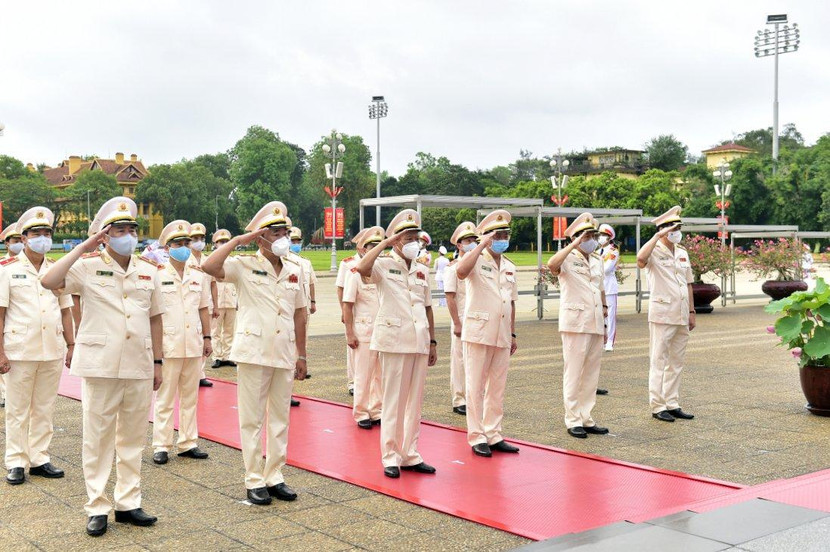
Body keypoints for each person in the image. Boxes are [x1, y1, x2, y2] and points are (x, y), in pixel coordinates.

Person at [41, 196, 164, 537]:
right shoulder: (87, 266)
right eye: (119, 230)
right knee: (97, 439)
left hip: (139, 363)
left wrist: (158, 362)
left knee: (133, 438)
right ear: (105, 235)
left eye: (131, 229)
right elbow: (49, 281)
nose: (127, 235)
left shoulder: (149, 270)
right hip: (100, 365)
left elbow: (155, 319)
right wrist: (84, 247)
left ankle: (128, 502)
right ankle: (97, 505)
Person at [202, 201, 307, 506]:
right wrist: (237, 242)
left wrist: (302, 354)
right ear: (261, 237)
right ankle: (254, 479)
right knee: (251, 419)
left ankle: (275, 475)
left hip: (284, 350)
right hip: (253, 351)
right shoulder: (244, 264)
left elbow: (300, 313)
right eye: (275, 232)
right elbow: (209, 267)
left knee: (280, 417)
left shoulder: (293, 269)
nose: (283, 238)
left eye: (285, 231)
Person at [355, 209, 438, 479]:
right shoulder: (383, 263)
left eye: (416, 237)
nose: (414, 242)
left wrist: (433, 341)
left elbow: (427, 308)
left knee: (414, 403)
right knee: (393, 401)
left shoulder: (423, 269)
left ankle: (410, 454)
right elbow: (363, 268)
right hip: (393, 341)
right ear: (397, 240)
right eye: (408, 237)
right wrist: (385, 244)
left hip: (419, 341)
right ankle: (390, 456)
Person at [0, 207, 73, 485]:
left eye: (46, 233)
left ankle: (40, 457)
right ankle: (16, 461)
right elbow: (0, 313)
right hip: (20, 348)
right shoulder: (7, 269)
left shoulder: (56, 269)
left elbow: (66, 310)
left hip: (51, 347)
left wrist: (71, 344)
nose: (42, 238)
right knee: (18, 408)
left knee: (44, 406)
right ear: (25, 237)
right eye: (36, 233)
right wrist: (1, 352)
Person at [455, 210, 520, 457]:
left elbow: (510, 302)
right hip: (479, 331)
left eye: (505, 234)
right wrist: (482, 243)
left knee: (497, 387)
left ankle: (493, 433)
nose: (503, 238)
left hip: (502, 333)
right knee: (475, 386)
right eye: (498, 235)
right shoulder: (475, 259)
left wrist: (512, 334)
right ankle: (476, 436)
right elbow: (460, 272)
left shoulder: (509, 266)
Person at [151, 221, 213, 466]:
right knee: (165, 399)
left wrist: (208, 337)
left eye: (187, 243)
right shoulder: (157, 273)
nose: (184, 247)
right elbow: (152, 314)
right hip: (169, 344)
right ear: (168, 248)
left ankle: (188, 442)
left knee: (190, 397)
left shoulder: (198, 274)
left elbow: (204, 308)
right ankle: (161, 445)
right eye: (179, 244)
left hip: (194, 343)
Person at [547, 213, 610, 439]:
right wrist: (573, 243)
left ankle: (586, 417)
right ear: (577, 238)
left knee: (591, 373)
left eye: (593, 235)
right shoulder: (568, 257)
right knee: (573, 372)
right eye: (587, 236)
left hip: (594, 321)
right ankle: (572, 419)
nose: (592, 239)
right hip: (575, 323)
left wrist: (604, 310)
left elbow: (600, 287)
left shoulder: (597, 259)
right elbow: (551, 265)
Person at [636, 206, 696, 423]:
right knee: (659, 359)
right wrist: (656, 236)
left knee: (676, 360)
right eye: (672, 227)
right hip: (662, 313)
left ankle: (672, 402)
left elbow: (688, 283)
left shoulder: (682, 252)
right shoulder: (653, 250)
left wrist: (691, 310)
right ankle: (658, 405)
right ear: (662, 230)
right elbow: (640, 260)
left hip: (681, 313)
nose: (677, 231)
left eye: (678, 227)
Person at [342, 226, 384, 429]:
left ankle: (376, 410)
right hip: (364, 331)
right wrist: (349, 332)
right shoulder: (355, 271)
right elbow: (347, 304)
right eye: (372, 246)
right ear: (363, 248)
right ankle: (361, 412)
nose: (376, 249)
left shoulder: (383, 270)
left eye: (379, 245)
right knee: (363, 374)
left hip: (383, 330)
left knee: (380, 375)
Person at [444, 222, 478, 416]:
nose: (472, 243)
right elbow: (450, 297)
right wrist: (456, 322)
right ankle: (459, 398)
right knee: (459, 360)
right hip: (461, 318)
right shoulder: (453, 268)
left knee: (474, 361)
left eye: (474, 240)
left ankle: (472, 396)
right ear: (459, 245)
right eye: (468, 240)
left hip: (477, 319)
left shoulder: (479, 264)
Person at [337, 229, 369, 396]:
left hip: (370, 312)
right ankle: (353, 382)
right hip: (353, 310)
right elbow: (341, 288)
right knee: (353, 350)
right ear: (360, 247)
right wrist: (343, 310)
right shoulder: (348, 264)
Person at [0, 221, 23, 409]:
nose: (18, 243)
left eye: (20, 239)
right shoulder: (2, 265)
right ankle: (3, 393)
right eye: (15, 240)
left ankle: (6, 394)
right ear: (7, 243)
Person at [187, 223, 213, 387]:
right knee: (192, 339)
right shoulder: (185, 258)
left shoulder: (208, 260)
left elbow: (214, 284)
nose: (199, 242)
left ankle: (200, 373)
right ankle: (191, 373)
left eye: (201, 239)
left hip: (205, 303)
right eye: (195, 239)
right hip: (190, 304)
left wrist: (216, 305)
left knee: (205, 338)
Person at [209, 229, 237, 368]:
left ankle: (228, 355)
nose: (224, 244)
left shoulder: (234, 262)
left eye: (226, 242)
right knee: (215, 331)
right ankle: (217, 356)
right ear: (215, 244)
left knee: (229, 330)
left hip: (231, 300)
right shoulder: (211, 261)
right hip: (218, 301)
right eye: (221, 242)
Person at [598, 224, 619, 354]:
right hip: (598, 288)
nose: (600, 238)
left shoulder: (613, 251)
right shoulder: (595, 251)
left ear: (609, 237)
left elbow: (607, 269)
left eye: (603, 235)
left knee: (610, 317)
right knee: (599, 316)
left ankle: (610, 342)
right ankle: (601, 340)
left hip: (609, 287)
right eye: (599, 235)